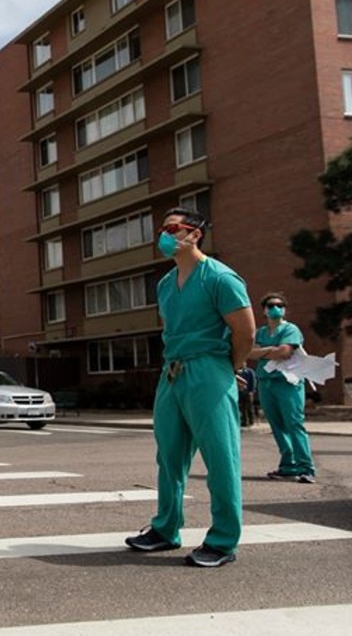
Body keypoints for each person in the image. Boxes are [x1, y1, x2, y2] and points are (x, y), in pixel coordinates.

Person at [124, 207, 254, 568]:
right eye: (162, 229)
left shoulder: (221, 278)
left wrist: (230, 367)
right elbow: (171, 329)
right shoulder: (165, 284)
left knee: (220, 457)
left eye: (172, 228)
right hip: (172, 372)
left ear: (195, 234)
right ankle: (166, 529)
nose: (164, 235)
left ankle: (223, 540)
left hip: (209, 368)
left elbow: (245, 332)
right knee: (169, 456)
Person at [249, 293, 316, 483]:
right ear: (264, 310)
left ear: (284, 309)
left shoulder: (291, 329)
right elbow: (249, 352)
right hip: (266, 382)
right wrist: (272, 352)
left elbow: (285, 352)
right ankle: (288, 465)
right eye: (270, 305)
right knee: (277, 426)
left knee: (294, 423)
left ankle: (306, 467)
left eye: (279, 305)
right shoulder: (261, 332)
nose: (275, 308)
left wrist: (263, 352)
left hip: (288, 383)